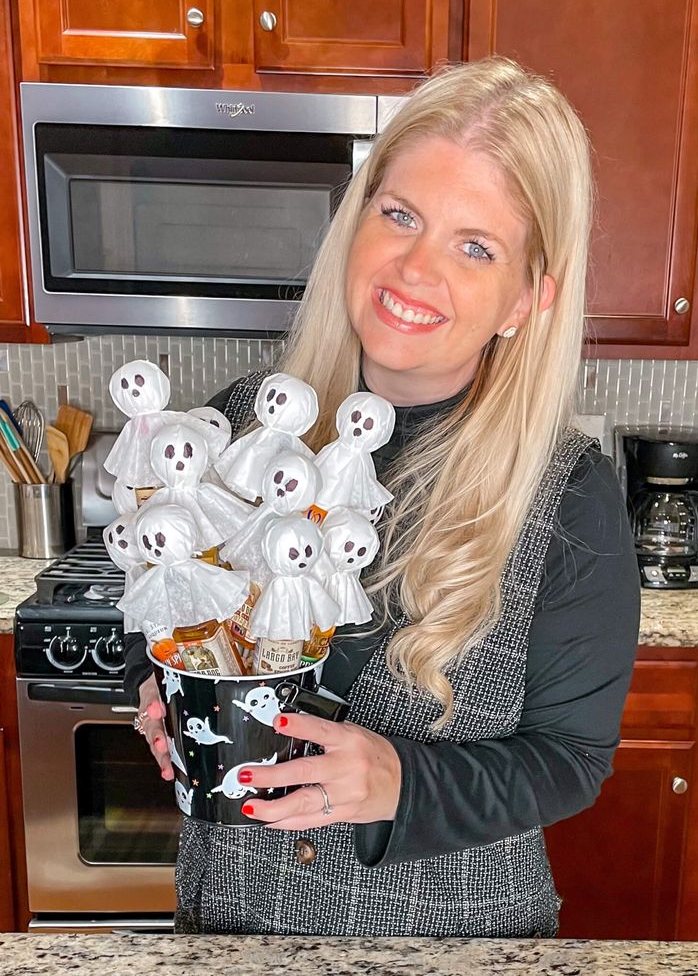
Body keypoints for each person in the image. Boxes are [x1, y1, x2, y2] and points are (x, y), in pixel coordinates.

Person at [124, 55, 641, 938]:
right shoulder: (239, 430)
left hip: (450, 939)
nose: (414, 267)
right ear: (355, 222)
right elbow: (155, 593)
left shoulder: (569, 495)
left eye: (474, 245)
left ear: (527, 297)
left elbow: (573, 759)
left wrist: (402, 781)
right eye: (399, 214)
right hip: (232, 925)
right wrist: (154, 686)